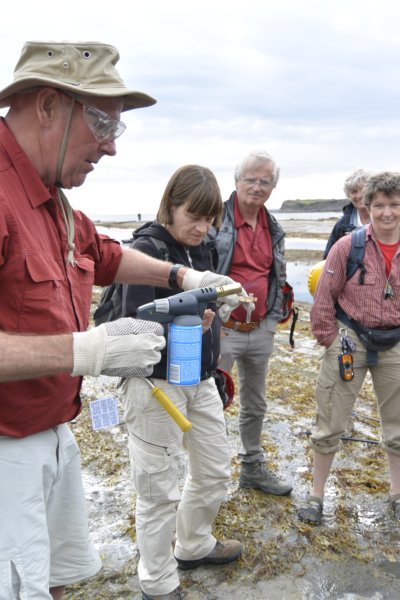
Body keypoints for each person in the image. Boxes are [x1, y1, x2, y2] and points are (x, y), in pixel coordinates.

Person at [0, 41, 243, 600]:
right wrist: (86, 351)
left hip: (52, 431)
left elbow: (104, 254)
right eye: (103, 123)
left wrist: (183, 277)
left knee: (55, 579)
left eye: (117, 128)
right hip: (8, 445)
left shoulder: (51, 198)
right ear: (48, 106)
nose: (110, 146)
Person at [116, 165, 243, 600]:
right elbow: (131, 327)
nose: (202, 227)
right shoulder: (146, 249)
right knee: (158, 488)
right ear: (171, 205)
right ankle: (157, 580)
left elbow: (208, 305)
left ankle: (193, 543)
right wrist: (181, 325)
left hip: (200, 378)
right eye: (194, 215)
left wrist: (221, 314)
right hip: (155, 384)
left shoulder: (203, 248)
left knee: (214, 469)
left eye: (210, 219)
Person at [298, 171, 400, 526]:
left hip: (395, 343)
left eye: (395, 204)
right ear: (367, 207)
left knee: (398, 426)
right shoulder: (347, 247)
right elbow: (323, 299)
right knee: (330, 421)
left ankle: (397, 495)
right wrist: (329, 340)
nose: (387, 212)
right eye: (380, 205)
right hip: (349, 339)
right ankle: (316, 496)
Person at [215, 150, 293, 496]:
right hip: (222, 329)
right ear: (236, 181)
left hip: (260, 329)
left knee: (255, 403)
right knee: (211, 401)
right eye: (251, 179)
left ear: (273, 187)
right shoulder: (215, 218)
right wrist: (211, 321)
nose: (257, 187)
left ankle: (251, 467)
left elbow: (278, 276)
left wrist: (272, 320)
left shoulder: (273, 227)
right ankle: (211, 474)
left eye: (265, 181)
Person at [323, 168, 371, 258]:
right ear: (348, 195)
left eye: (364, 190)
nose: (359, 196)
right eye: (354, 191)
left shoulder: (385, 220)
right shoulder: (342, 225)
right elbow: (328, 258)